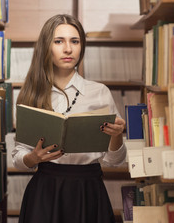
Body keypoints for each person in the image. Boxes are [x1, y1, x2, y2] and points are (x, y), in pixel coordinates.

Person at [12, 14, 126, 223]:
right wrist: (33, 158)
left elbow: (115, 162)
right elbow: (19, 158)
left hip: (89, 190)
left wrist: (117, 137)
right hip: (46, 191)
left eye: (75, 41)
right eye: (59, 41)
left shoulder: (99, 92)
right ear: (47, 47)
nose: (68, 49)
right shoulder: (31, 94)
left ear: (81, 47)